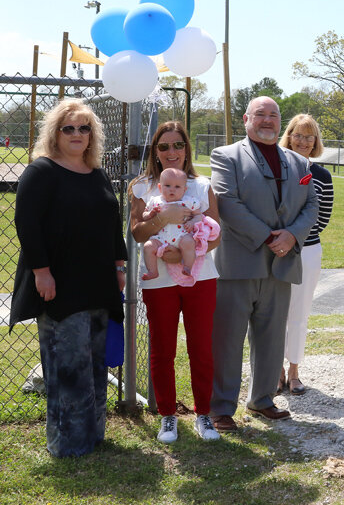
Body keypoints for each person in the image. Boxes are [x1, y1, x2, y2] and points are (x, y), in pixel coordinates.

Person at [12, 98, 127, 457]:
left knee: (94, 368)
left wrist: (120, 266)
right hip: (60, 287)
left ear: (93, 135)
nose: (77, 134)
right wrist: (42, 273)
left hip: (99, 285)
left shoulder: (97, 173)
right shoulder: (41, 172)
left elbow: (112, 226)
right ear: (55, 133)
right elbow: (27, 226)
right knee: (68, 369)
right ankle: (69, 445)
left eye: (84, 128)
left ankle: (94, 437)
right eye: (69, 128)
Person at [209, 96, 319, 431]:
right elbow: (227, 203)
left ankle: (262, 400)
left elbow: (311, 205)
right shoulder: (225, 155)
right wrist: (270, 237)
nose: (268, 120)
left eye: (274, 115)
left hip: (281, 265)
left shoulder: (298, 163)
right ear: (246, 119)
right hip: (239, 263)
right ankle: (221, 407)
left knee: (272, 338)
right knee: (228, 340)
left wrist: (292, 236)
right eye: (261, 114)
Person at [129, 121, 221, 443]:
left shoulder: (202, 186)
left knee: (201, 347)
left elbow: (214, 237)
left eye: (178, 145)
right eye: (164, 146)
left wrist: (186, 255)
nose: (171, 152)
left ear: (186, 149)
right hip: (158, 281)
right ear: (155, 151)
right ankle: (167, 416)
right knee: (163, 347)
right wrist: (160, 220)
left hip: (199, 278)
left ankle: (204, 414)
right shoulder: (142, 187)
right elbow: (137, 233)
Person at [277, 114, 334, 395]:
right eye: (297, 135)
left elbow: (322, 219)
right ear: (288, 136)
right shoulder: (275, 170)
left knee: (299, 313)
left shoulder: (321, 175)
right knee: (274, 312)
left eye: (309, 136)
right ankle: (275, 370)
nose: (302, 141)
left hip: (307, 250)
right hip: (275, 250)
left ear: (315, 142)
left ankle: (295, 370)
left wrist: (295, 236)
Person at [141, 167, 219, 285]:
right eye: (167, 186)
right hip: (160, 238)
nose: (172, 190)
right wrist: (151, 214)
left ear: (184, 190)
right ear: (160, 187)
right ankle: (153, 271)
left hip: (181, 236)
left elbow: (198, 216)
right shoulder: (155, 201)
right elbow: (144, 215)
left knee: (189, 243)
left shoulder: (188, 201)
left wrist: (192, 223)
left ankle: (187, 266)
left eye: (177, 187)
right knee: (148, 246)